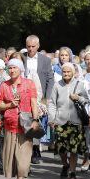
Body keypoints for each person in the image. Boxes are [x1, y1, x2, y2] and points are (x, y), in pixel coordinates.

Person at [0, 58, 39, 179]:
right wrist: (10, 105)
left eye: (15, 68)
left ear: (21, 69)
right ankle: (16, 177)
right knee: (11, 154)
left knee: (23, 153)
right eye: (10, 68)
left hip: (25, 124)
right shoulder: (4, 85)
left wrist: (36, 119)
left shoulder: (29, 84)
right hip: (10, 123)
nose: (12, 70)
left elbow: (34, 103)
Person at [49, 62, 90, 179]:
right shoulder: (57, 85)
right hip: (60, 122)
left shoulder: (79, 84)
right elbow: (52, 103)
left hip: (75, 121)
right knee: (61, 149)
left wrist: (78, 98)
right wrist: (52, 119)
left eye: (68, 72)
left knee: (74, 149)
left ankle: (72, 173)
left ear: (73, 73)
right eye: (64, 72)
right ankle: (65, 165)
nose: (66, 74)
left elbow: (86, 100)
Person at [22, 35, 54, 163]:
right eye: (28, 46)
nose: (30, 49)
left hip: (39, 95)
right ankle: (25, 149)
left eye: (33, 46)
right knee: (25, 120)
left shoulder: (45, 60)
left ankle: (35, 149)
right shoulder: (22, 57)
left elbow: (50, 79)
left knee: (37, 121)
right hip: (23, 93)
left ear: (38, 46)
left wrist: (47, 97)